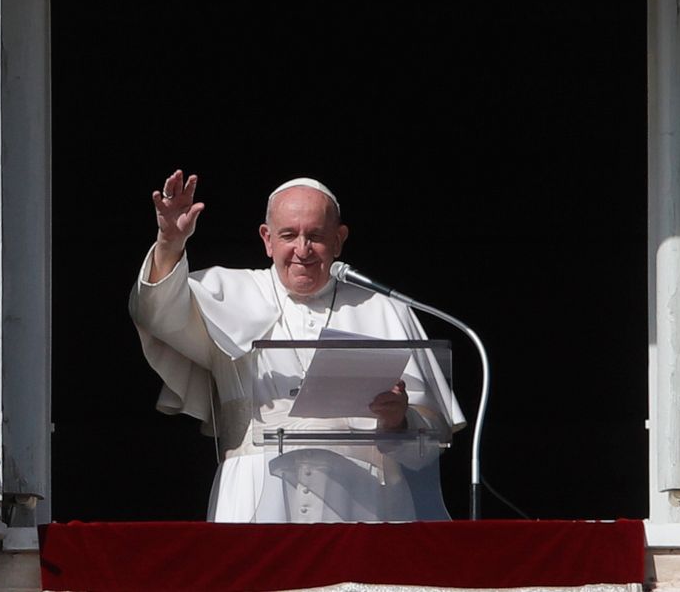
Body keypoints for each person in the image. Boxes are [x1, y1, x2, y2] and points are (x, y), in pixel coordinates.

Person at [129, 170, 464, 522]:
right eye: (288, 235)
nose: (302, 250)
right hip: (255, 492)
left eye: (316, 236)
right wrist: (169, 243)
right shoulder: (225, 292)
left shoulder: (385, 309)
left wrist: (398, 421)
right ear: (267, 238)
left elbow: (429, 447)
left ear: (339, 240)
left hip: (365, 501)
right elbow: (155, 312)